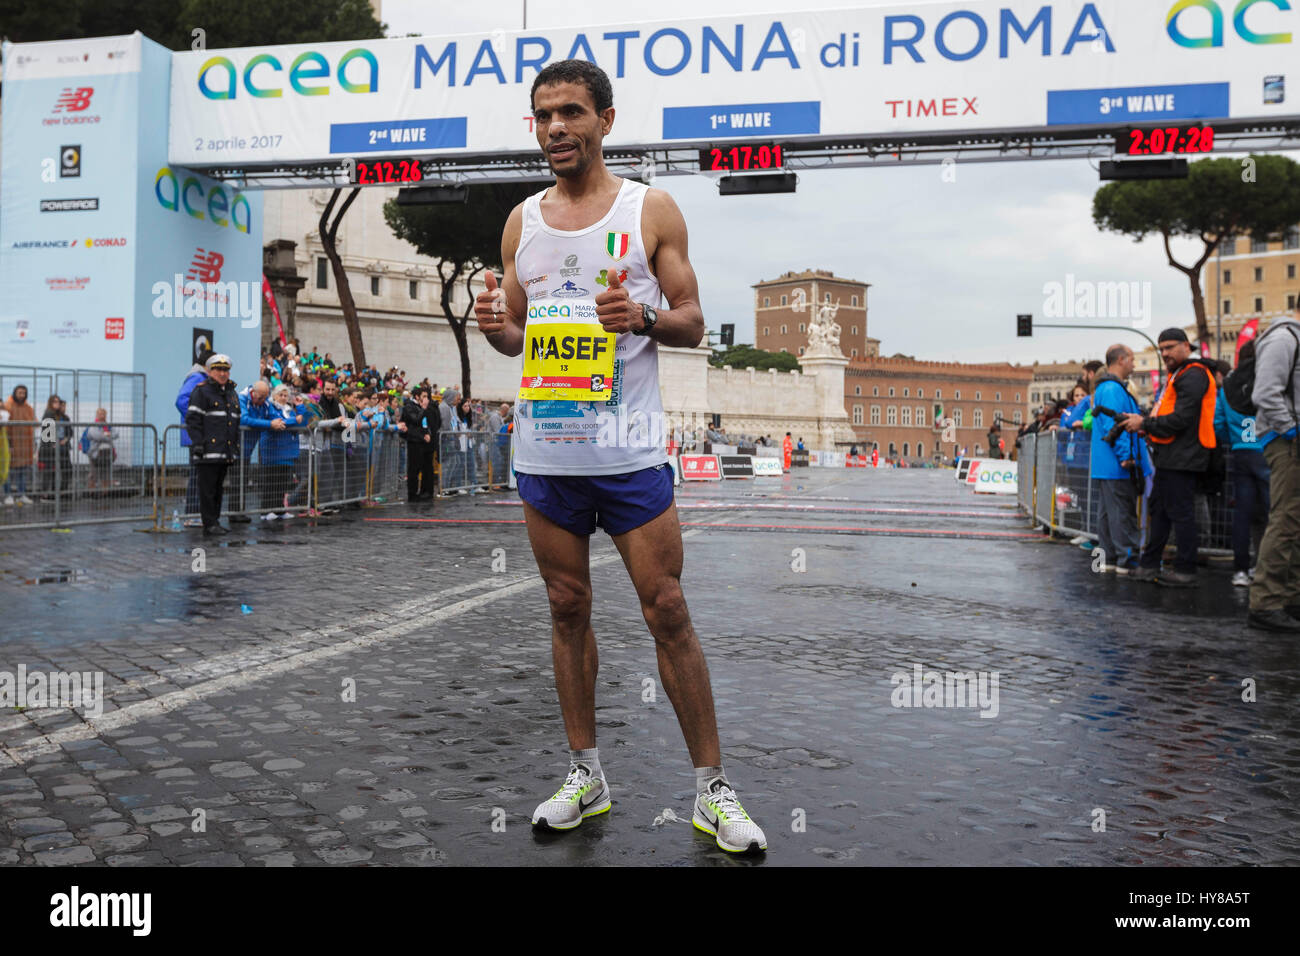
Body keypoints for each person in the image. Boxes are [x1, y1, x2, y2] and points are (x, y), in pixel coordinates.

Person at [473, 58, 765, 853]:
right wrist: (489, 320)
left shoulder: (650, 209)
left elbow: (695, 320)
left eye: (572, 112)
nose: (557, 128)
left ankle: (712, 790)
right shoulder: (520, 223)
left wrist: (639, 317)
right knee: (567, 607)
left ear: (606, 119)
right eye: (543, 116)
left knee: (666, 608)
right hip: (544, 456)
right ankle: (585, 774)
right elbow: (514, 340)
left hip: (630, 454)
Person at [1122, 328, 1216, 587]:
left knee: (1180, 513)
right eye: (1161, 349)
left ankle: (1185, 569)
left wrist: (1146, 424)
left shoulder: (1193, 375)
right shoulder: (1182, 375)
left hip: (1183, 456)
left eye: (1169, 348)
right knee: (1160, 511)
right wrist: (1149, 428)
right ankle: (1150, 564)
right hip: (1172, 455)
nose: (1164, 354)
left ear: (1187, 346)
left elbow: (1182, 419)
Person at [1246, 300, 1300, 631]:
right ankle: (1266, 603)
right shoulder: (1284, 338)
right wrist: (1290, 429)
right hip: (1286, 441)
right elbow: (1265, 392)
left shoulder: (1288, 338)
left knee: (1293, 520)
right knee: (1286, 519)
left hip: (1288, 438)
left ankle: (1289, 598)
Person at [1215, 341, 1270, 588]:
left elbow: (1218, 423)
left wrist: (1235, 439)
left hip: (1240, 452)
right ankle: (1267, 568)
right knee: (1274, 514)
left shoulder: (1228, 384)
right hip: (1266, 450)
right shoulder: (1266, 377)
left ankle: (1240, 570)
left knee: (1242, 515)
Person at [1090, 345, 1149, 573]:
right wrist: (1126, 456)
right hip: (1117, 465)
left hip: (1106, 465)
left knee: (1108, 515)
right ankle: (1128, 560)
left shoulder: (1106, 389)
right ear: (1122, 360)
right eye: (1132, 359)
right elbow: (1116, 423)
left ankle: (1110, 559)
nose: (1134, 364)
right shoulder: (1114, 390)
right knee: (1122, 513)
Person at [185, 354, 241, 535]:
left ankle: (214, 520)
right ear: (210, 371)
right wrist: (198, 444)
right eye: (219, 370)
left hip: (224, 451)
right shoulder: (201, 391)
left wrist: (234, 448)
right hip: (207, 451)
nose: (223, 373)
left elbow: (234, 422)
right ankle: (209, 523)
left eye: (226, 370)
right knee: (207, 491)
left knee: (218, 489)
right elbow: (193, 420)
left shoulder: (231, 393)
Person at [176, 350, 213, 526]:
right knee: (198, 474)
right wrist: (198, 419)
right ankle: (192, 513)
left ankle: (195, 513)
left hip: (197, 432)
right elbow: (182, 400)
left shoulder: (198, 377)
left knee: (200, 474)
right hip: (196, 434)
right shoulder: (197, 378)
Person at [399, 387, 436, 501]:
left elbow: (425, 423)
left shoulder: (420, 408)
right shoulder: (409, 407)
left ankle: (422, 491)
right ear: (417, 397)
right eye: (423, 396)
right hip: (414, 440)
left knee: (422, 467)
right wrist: (423, 408)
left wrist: (427, 433)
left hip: (422, 440)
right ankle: (412, 493)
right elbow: (416, 420)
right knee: (413, 469)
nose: (426, 399)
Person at [2, 385, 37, 505]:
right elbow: (4, 426)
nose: (21, 395)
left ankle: (21, 494)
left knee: (23, 470)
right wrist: (9, 443)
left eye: (23, 393)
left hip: (25, 445)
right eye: (19, 392)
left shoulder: (28, 407)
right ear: (15, 393)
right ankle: (8, 495)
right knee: (8, 471)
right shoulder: (8, 405)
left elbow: (35, 421)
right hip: (11, 444)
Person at [38, 395, 71, 497]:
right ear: (50, 403)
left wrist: (64, 439)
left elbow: (69, 431)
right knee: (49, 472)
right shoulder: (49, 413)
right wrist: (53, 443)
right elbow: (46, 432)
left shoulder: (59, 416)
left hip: (57, 448)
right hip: (49, 449)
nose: (57, 404)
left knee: (55, 471)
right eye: (55, 402)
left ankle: (53, 493)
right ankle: (46, 494)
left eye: (58, 402)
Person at [84, 409, 116, 491]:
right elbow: (97, 436)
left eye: (103, 414)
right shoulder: (93, 426)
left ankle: (104, 493)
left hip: (107, 453)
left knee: (105, 474)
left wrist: (107, 435)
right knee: (94, 474)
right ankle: (92, 492)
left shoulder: (108, 426)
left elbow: (116, 434)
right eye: (100, 414)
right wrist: (108, 435)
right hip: (95, 453)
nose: (102, 416)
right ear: (97, 415)